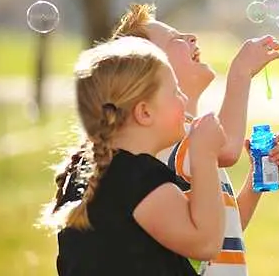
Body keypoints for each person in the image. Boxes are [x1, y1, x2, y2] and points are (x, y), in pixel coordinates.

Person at [110, 4, 279, 276]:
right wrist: (240, 72)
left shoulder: (192, 141)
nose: (191, 37)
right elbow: (228, 148)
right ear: (151, 75)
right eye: (176, 39)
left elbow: (221, 229)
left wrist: (256, 179)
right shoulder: (167, 137)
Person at [43, 36, 227, 275]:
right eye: (176, 92)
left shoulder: (87, 173)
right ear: (145, 112)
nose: (183, 100)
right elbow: (206, 243)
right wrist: (205, 154)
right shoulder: (140, 179)